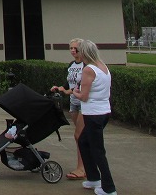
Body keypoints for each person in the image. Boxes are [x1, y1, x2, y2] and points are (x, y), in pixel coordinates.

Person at [72, 40, 117, 195]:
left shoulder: (88, 69)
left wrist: (74, 92)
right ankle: (93, 178)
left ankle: (109, 188)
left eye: (79, 51)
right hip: (103, 112)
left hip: (93, 114)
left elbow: (83, 97)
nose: (77, 54)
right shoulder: (103, 66)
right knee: (83, 142)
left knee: (97, 150)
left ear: (84, 53)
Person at [50, 38, 86, 179]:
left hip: (83, 102)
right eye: (71, 48)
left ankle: (82, 168)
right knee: (80, 136)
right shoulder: (72, 65)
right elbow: (68, 83)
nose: (73, 50)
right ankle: (84, 166)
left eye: (75, 48)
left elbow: (83, 85)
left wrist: (68, 91)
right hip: (74, 103)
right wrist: (60, 88)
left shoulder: (86, 65)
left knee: (79, 135)